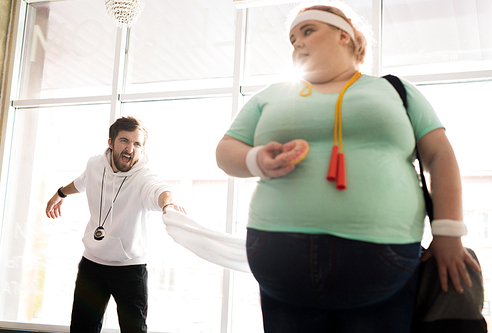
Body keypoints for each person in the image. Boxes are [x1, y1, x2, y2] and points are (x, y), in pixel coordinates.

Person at [216, 4, 481, 333]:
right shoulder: (271, 96)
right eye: (292, 38)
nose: (296, 43)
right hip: (280, 261)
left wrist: (448, 233)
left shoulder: (395, 91)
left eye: (308, 31)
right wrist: (256, 159)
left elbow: (440, 156)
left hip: (382, 266)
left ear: (344, 35)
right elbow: (226, 151)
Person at [46, 116, 185, 333]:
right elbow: (83, 181)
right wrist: (61, 193)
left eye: (137, 144)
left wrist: (169, 205)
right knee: (82, 328)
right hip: (92, 264)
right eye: (124, 141)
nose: (130, 148)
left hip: (129, 267)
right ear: (111, 143)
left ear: (142, 149)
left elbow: (160, 191)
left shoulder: (143, 177)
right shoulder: (95, 164)